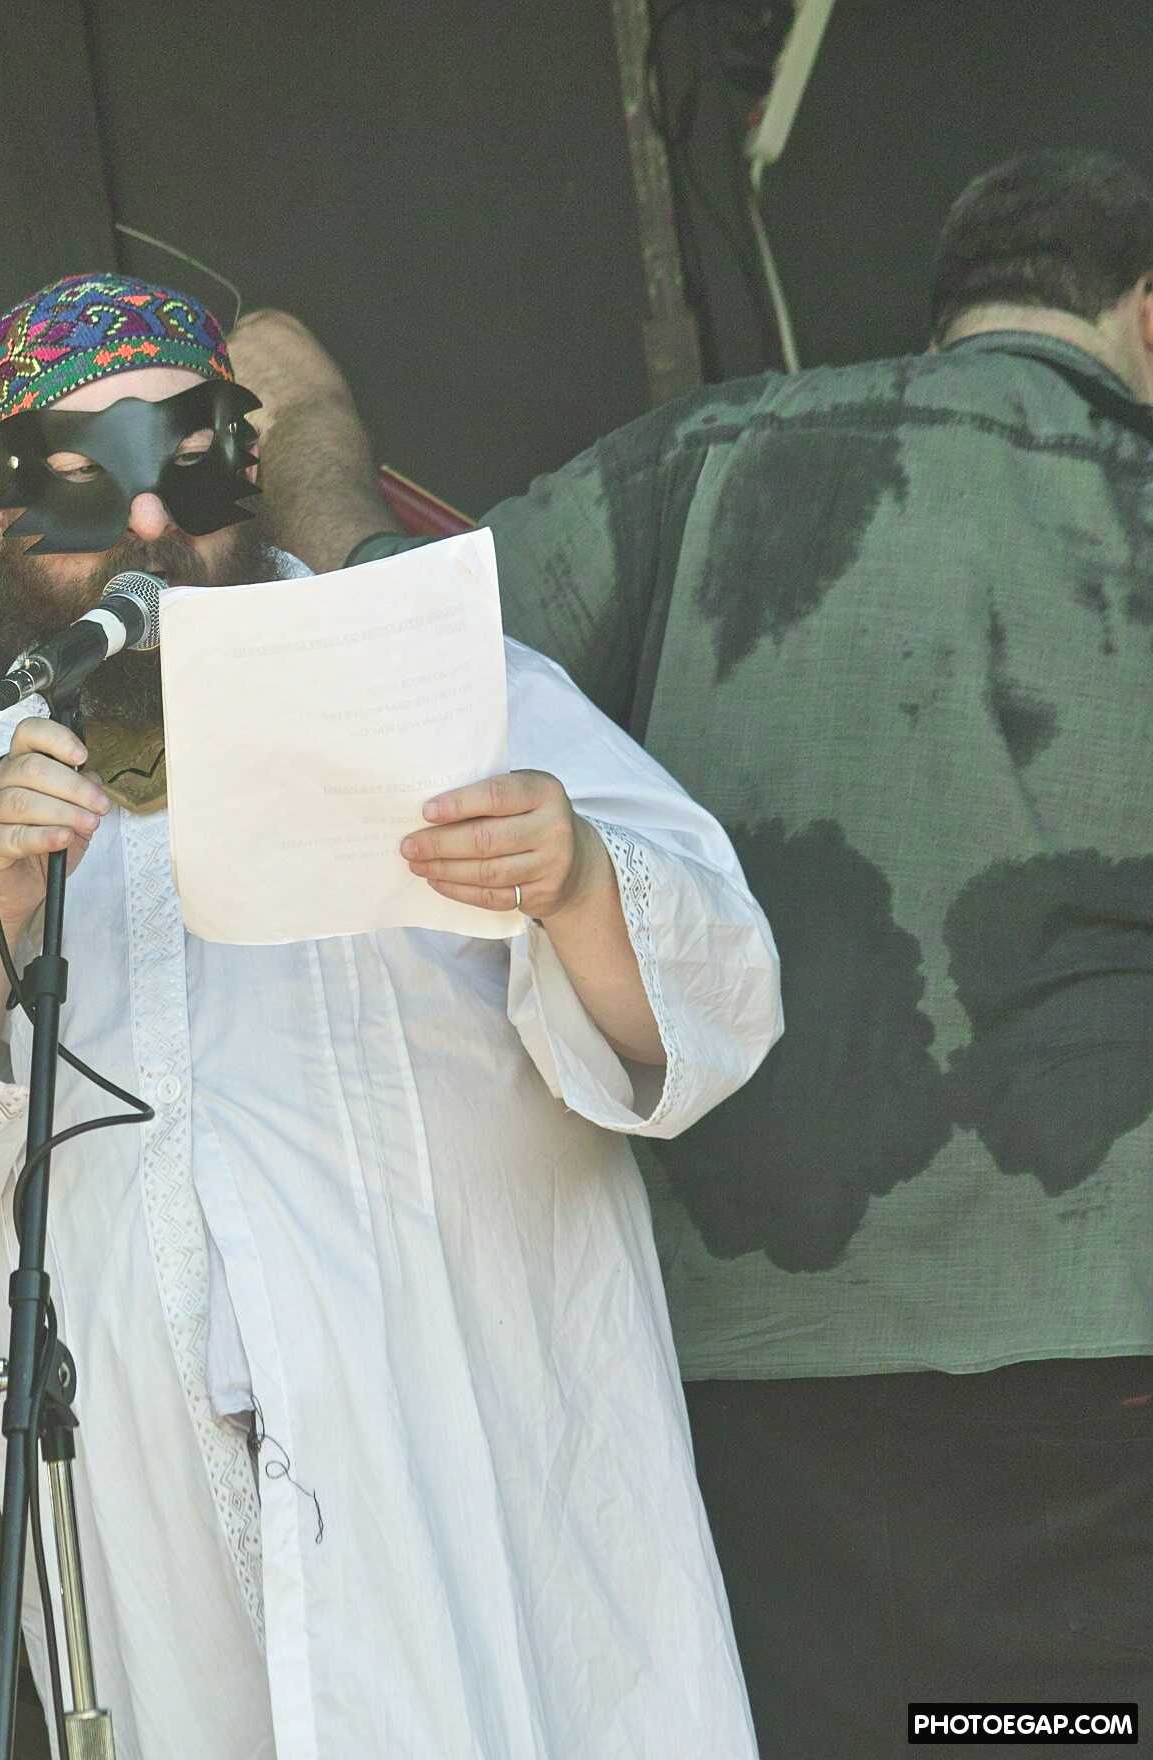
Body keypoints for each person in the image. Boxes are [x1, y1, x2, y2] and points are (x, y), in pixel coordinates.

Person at [0, 272, 784, 1759]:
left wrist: (576, 879)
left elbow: (716, 1006)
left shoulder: (449, 688)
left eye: (191, 462)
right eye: (86, 482)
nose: (151, 522)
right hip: (161, 1544)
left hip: (460, 1486)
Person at [247, 148, 1153, 1756]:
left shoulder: (700, 460)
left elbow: (398, 656)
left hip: (756, 1364)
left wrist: (314, 431)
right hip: (1109, 1351)